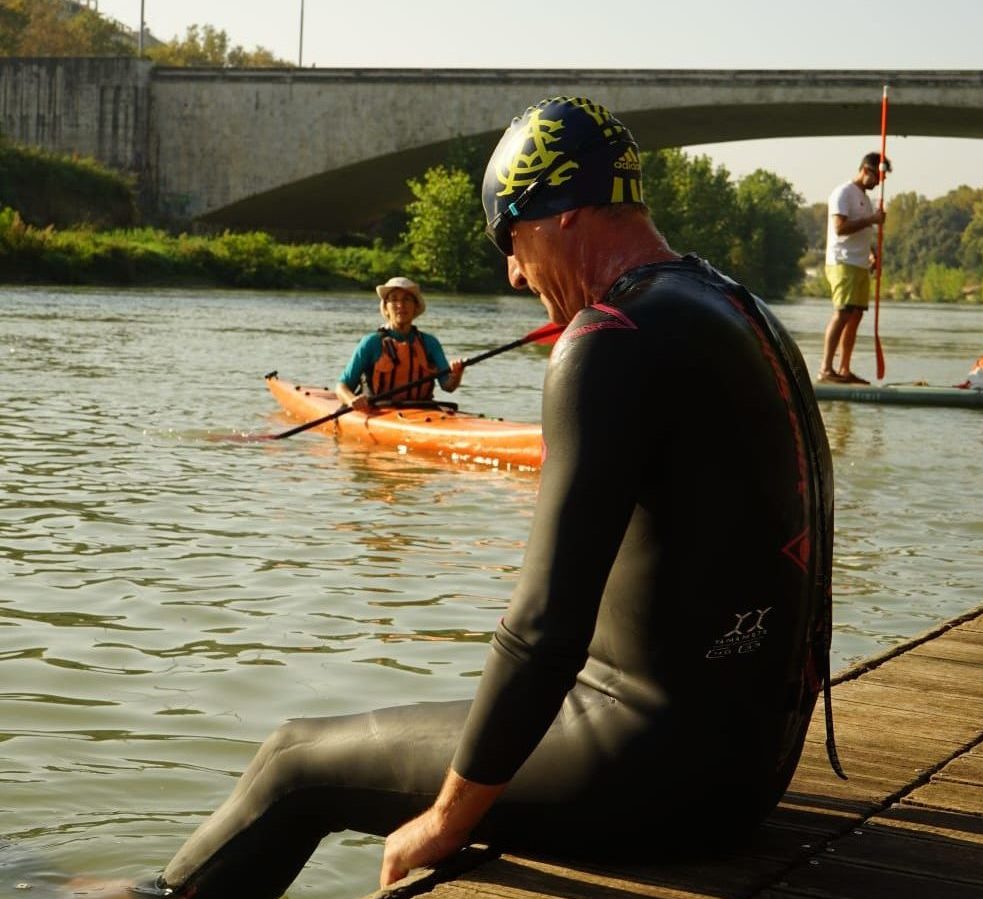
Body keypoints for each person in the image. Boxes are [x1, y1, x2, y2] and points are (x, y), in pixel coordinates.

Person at [104, 96, 836, 899]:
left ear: (556, 215)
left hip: (649, 774)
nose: (513, 273)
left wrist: (447, 816)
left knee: (291, 761)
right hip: (751, 767)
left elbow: (542, 627)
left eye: (508, 241)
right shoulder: (743, 309)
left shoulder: (608, 338)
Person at [334, 275, 464, 411]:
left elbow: (448, 386)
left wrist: (457, 373)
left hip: (422, 411)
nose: (400, 305)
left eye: (406, 299)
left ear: (415, 307)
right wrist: (351, 400)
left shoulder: (430, 343)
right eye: (394, 299)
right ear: (386, 308)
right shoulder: (371, 343)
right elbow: (342, 387)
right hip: (380, 412)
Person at [818, 151, 891, 384]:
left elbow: (862, 233)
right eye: (878, 178)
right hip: (843, 262)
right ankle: (826, 369)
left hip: (859, 264)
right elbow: (840, 228)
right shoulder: (843, 193)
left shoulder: (865, 198)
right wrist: (872, 220)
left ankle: (844, 369)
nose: (879, 183)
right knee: (842, 313)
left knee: (855, 315)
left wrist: (872, 254)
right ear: (867, 170)